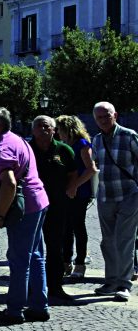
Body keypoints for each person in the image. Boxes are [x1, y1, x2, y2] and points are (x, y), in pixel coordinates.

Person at [0, 106, 50, 324]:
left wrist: (0, 215)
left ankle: (14, 309)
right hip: (39, 200)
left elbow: (9, 183)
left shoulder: (2, 149)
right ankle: (39, 305)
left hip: (25, 207)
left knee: (19, 259)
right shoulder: (17, 139)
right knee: (36, 255)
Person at [91, 101, 138, 302]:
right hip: (105, 196)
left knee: (124, 240)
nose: (103, 120)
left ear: (115, 115)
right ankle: (111, 281)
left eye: (106, 116)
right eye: (99, 117)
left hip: (129, 195)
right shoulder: (97, 139)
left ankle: (124, 284)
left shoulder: (129, 136)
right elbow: (95, 166)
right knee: (107, 242)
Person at [29, 115, 77, 304]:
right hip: (32, 206)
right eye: (39, 126)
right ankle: (32, 286)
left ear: (54, 129)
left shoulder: (63, 149)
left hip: (57, 205)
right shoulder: (28, 148)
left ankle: (55, 286)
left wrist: (71, 188)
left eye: (47, 127)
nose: (43, 130)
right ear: (33, 130)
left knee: (55, 246)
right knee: (31, 247)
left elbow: (73, 173)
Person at [56, 114, 97, 280]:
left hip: (80, 192)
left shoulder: (82, 144)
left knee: (78, 226)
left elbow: (91, 169)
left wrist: (75, 185)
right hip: (66, 192)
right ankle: (66, 261)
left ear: (67, 129)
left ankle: (80, 262)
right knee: (66, 228)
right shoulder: (64, 145)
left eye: (59, 129)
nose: (57, 132)